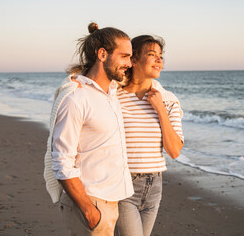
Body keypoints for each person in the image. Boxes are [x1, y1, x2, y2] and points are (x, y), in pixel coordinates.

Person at [44, 22, 134, 236]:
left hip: (111, 202)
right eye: (125, 56)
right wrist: (89, 211)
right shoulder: (76, 98)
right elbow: (61, 161)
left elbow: (142, 80)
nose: (130, 64)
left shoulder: (111, 93)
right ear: (102, 54)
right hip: (89, 204)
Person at [115, 35, 184, 236]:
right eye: (152, 54)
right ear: (133, 60)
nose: (159, 60)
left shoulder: (169, 100)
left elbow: (174, 151)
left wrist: (160, 110)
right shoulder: (114, 97)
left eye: (160, 56)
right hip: (124, 185)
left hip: (154, 186)